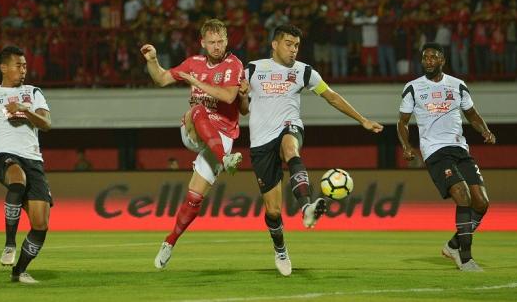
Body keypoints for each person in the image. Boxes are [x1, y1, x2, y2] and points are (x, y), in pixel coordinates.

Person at [241, 24, 383, 276]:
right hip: (260, 142)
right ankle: (281, 249)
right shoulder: (252, 69)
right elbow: (238, 104)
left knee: (290, 147)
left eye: (296, 45)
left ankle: (306, 207)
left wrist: (362, 120)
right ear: (274, 44)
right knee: (273, 211)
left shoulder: (304, 72)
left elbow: (332, 96)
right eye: (288, 44)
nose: (293, 50)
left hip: (289, 127)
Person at [141, 19, 245, 270]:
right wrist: (152, 61)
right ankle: (225, 160)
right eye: (212, 42)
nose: (217, 46)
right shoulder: (193, 63)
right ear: (203, 43)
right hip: (194, 131)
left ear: (227, 40)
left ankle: (169, 242)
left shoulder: (234, 64)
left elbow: (229, 96)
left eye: (221, 41)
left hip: (222, 138)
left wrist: (197, 83)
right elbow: (162, 79)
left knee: (194, 198)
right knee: (198, 111)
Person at [397, 42, 495, 272]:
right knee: (462, 194)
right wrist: (406, 146)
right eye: (425, 58)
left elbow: (472, 114)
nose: (428, 61)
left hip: (460, 149)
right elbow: (402, 122)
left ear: (442, 60)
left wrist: (485, 131)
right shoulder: (413, 87)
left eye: (433, 57)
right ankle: (466, 258)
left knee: (481, 202)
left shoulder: (458, 85)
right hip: (435, 151)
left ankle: (453, 245)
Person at [0, 46, 53, 284]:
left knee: (41, 224)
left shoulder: (33, 92)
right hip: (5, 156)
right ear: (3, 67)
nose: (23, 70)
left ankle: (19, 271)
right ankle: (9, 243)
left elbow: (46, 123)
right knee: (17, 180)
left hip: (34, 160)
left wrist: (25, 111)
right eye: (19, 65)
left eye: (25, 65)